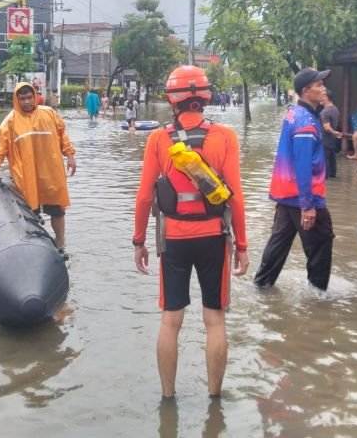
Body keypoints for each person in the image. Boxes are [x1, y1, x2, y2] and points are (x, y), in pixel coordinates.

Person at [133, 65, 249, 399]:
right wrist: (242, 245)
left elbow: (144, 197)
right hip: (214, 237)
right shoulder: (225, 136)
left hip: (174, 240)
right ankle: (214, 399)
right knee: (215, 320)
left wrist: (138, 241)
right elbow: (237, 197)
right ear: (206, 97)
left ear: (173, 99)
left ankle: (168, 399)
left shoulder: (157, 139)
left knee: (171, 320)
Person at [254, 67, 334, 291]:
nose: (324, 88)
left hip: (285, 195)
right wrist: (307, 205)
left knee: (278, 245)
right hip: (303, 198)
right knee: (321, 244)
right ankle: (318, 300)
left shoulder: (293, 114)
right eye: (319, 85)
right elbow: (303, 163)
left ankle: (261, 285)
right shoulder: (306, 121)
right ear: (306, 90)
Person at [0, 82, 77, 249]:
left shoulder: (49, 114)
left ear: (35, 97)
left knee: (57, 210)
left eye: (29, 97)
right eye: (23, 99)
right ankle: (35, 246)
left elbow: (62, 135)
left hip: (51, 171)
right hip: (26, 175)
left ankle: (60, 243)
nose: (27, 102)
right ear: (17, 100)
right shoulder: (10, 122)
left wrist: (70, 155)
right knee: (29, 212)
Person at [319, 89, 341, 179]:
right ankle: (333, 176)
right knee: (332, 158)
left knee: (325, 158)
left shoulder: (326, 111)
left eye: (322, 96)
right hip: (332, 139)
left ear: (326, 98)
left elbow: (327, 127)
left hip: (325, 138)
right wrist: (334, 133)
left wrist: (334, 132)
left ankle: (326, 178)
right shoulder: (335, 109)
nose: (320, 98)